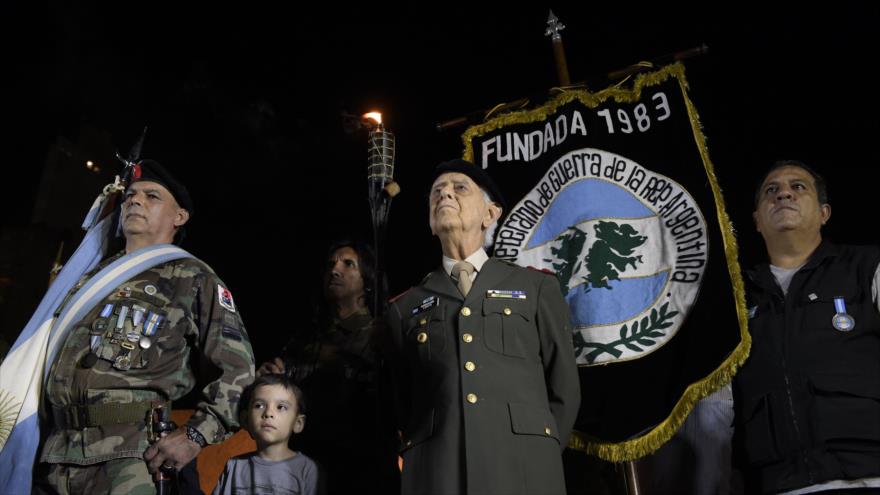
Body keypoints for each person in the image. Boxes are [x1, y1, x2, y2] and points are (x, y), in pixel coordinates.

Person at [33, 159, 256, 494]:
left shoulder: (191, 276)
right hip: (55, 453)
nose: (134, 200)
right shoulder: (86, 280)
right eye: (131, 195)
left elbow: (238, 369)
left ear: (179, 217)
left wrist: (197, 434)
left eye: (152, 196)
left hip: (130, 458)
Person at [386, 159, 581, 495]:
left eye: (459, 187)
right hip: (437, 472)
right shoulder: (404, 307)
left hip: (524, 468)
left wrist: (538, 450)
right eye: (437, 192)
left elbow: (564, 387)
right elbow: (401, 402)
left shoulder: (535, 288)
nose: (445, 193)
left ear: (490, 214)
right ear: (431, 223)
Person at [733, 160, 880, 494]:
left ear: (824, 213)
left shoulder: (867, 267)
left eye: (798, 187)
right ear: (756, 221)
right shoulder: (735, 298)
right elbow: (714, 408)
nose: (783, 193)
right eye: (771, 191)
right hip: (781, 485)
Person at [257, 240, 399, 494]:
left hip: (363, 474)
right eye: (331, 264)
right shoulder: (305, 339)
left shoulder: (381, 335)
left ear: (367, 280)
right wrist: (271, 380)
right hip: (305, 469)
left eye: (348, 264)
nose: (335, 270)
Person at [212, 373, 317, 495]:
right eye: (259, 405)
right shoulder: (234, 467)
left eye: (281, 407)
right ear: (245, 420)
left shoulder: (308, 470)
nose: (268, 413)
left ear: (297, 423)